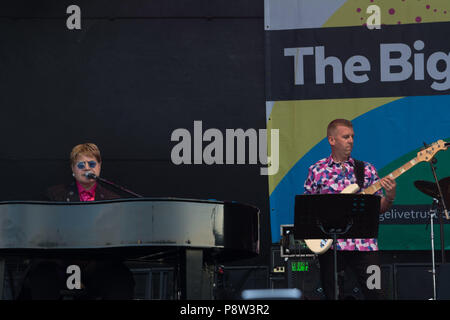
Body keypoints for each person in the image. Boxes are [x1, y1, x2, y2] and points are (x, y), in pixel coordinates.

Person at [18, 143, 135, 300]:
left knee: (121, 278)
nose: (87, 168)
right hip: (61, 264)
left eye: (92, 164)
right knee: (42, 275)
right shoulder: (55, 195)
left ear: (99, 167)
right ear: (73, 169)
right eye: (81, 164)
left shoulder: (113, 199)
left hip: (98, 265)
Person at [303, 119, 396, 300]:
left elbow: (379, 208)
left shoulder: (366, 170)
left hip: (365, 246)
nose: (351, 140)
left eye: (352, 137)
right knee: (333, 295)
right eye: (346, 137)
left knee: (376, 292)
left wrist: (390, 197)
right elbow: (308, 210)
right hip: (331, 246)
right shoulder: (317, 170)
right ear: (332, 140)